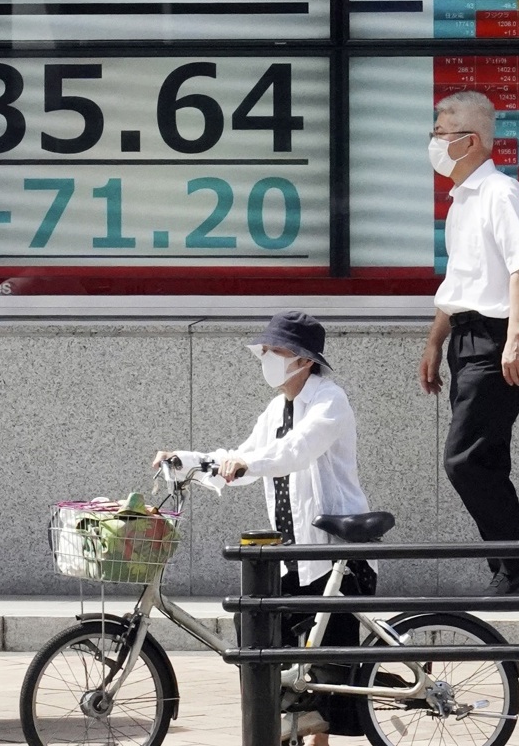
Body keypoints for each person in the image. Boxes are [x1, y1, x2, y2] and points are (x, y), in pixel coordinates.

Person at [152, 311, 373, 745]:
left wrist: (250, 462)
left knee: (326, 669)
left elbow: (296, 450)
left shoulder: (330, 400)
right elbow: (244, 455)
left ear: (306, 360)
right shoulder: (278, 408)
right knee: (277, 653)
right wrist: (189, 460)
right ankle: (296, 725)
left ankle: (310, 726)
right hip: (290, 553)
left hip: (330, 550)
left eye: (279, 351)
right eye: (266, 351)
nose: (269, 358)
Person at [418, 90, 519, 595]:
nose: (433, 142)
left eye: (440, 133)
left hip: (498, 340)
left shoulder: (500, 192)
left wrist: (516, 337)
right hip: (467, 338)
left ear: (468, 141)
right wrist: (434, 342)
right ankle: (512, 569)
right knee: (487, 459)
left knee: (464, 459)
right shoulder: (462, 201)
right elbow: (460, 282)